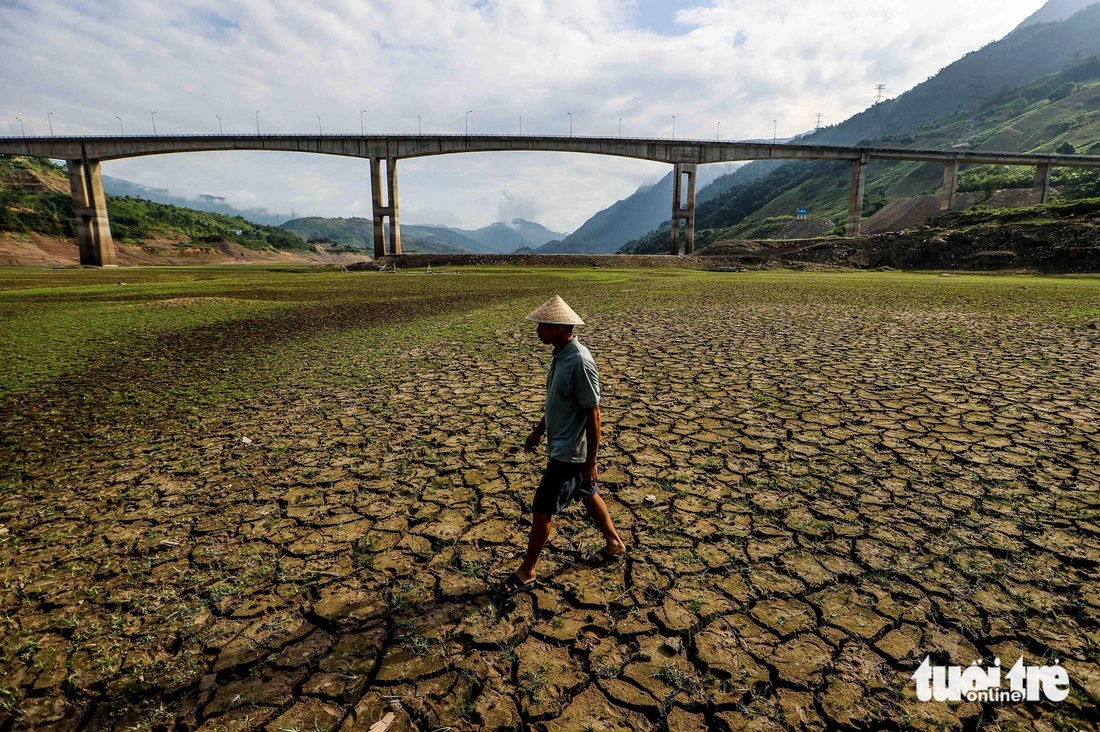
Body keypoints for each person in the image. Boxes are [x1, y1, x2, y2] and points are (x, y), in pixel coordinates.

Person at [493, 295, 627, 596]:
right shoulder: (560, 355)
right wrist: (538, 431)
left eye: (543, 325)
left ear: (559, 327)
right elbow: (557, 404)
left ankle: (527, 571)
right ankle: (615, 543)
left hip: (569, 454)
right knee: (587, 493)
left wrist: (591, 462)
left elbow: (594, 413)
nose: (537, 330)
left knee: (542, 510)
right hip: (562, 446)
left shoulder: (579, 361)